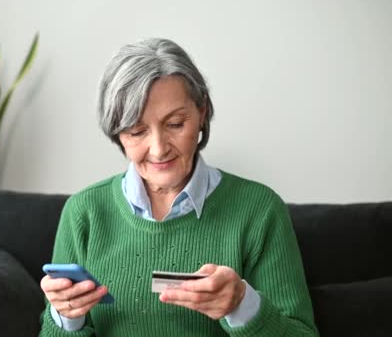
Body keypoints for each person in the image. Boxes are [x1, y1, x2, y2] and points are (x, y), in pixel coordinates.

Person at [39, 38, 318, 336]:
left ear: (202, 112)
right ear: (118, 135)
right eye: (136, 131)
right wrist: (67, 317)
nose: (158, 150)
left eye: (175, 124)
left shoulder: (259, 210)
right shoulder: (85, 213)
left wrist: (241, 304)